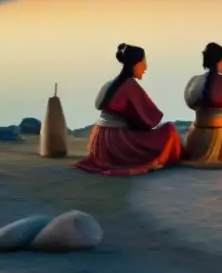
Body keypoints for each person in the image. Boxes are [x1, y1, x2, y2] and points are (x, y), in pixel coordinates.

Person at [74, 44, 183, 175]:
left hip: (99, 139)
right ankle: (155, 163)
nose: (145, 67)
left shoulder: (110, 84)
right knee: (169, 129)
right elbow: (147, 121)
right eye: (143, 62)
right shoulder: (130, 86)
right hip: (116, 140)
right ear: (135, 64)